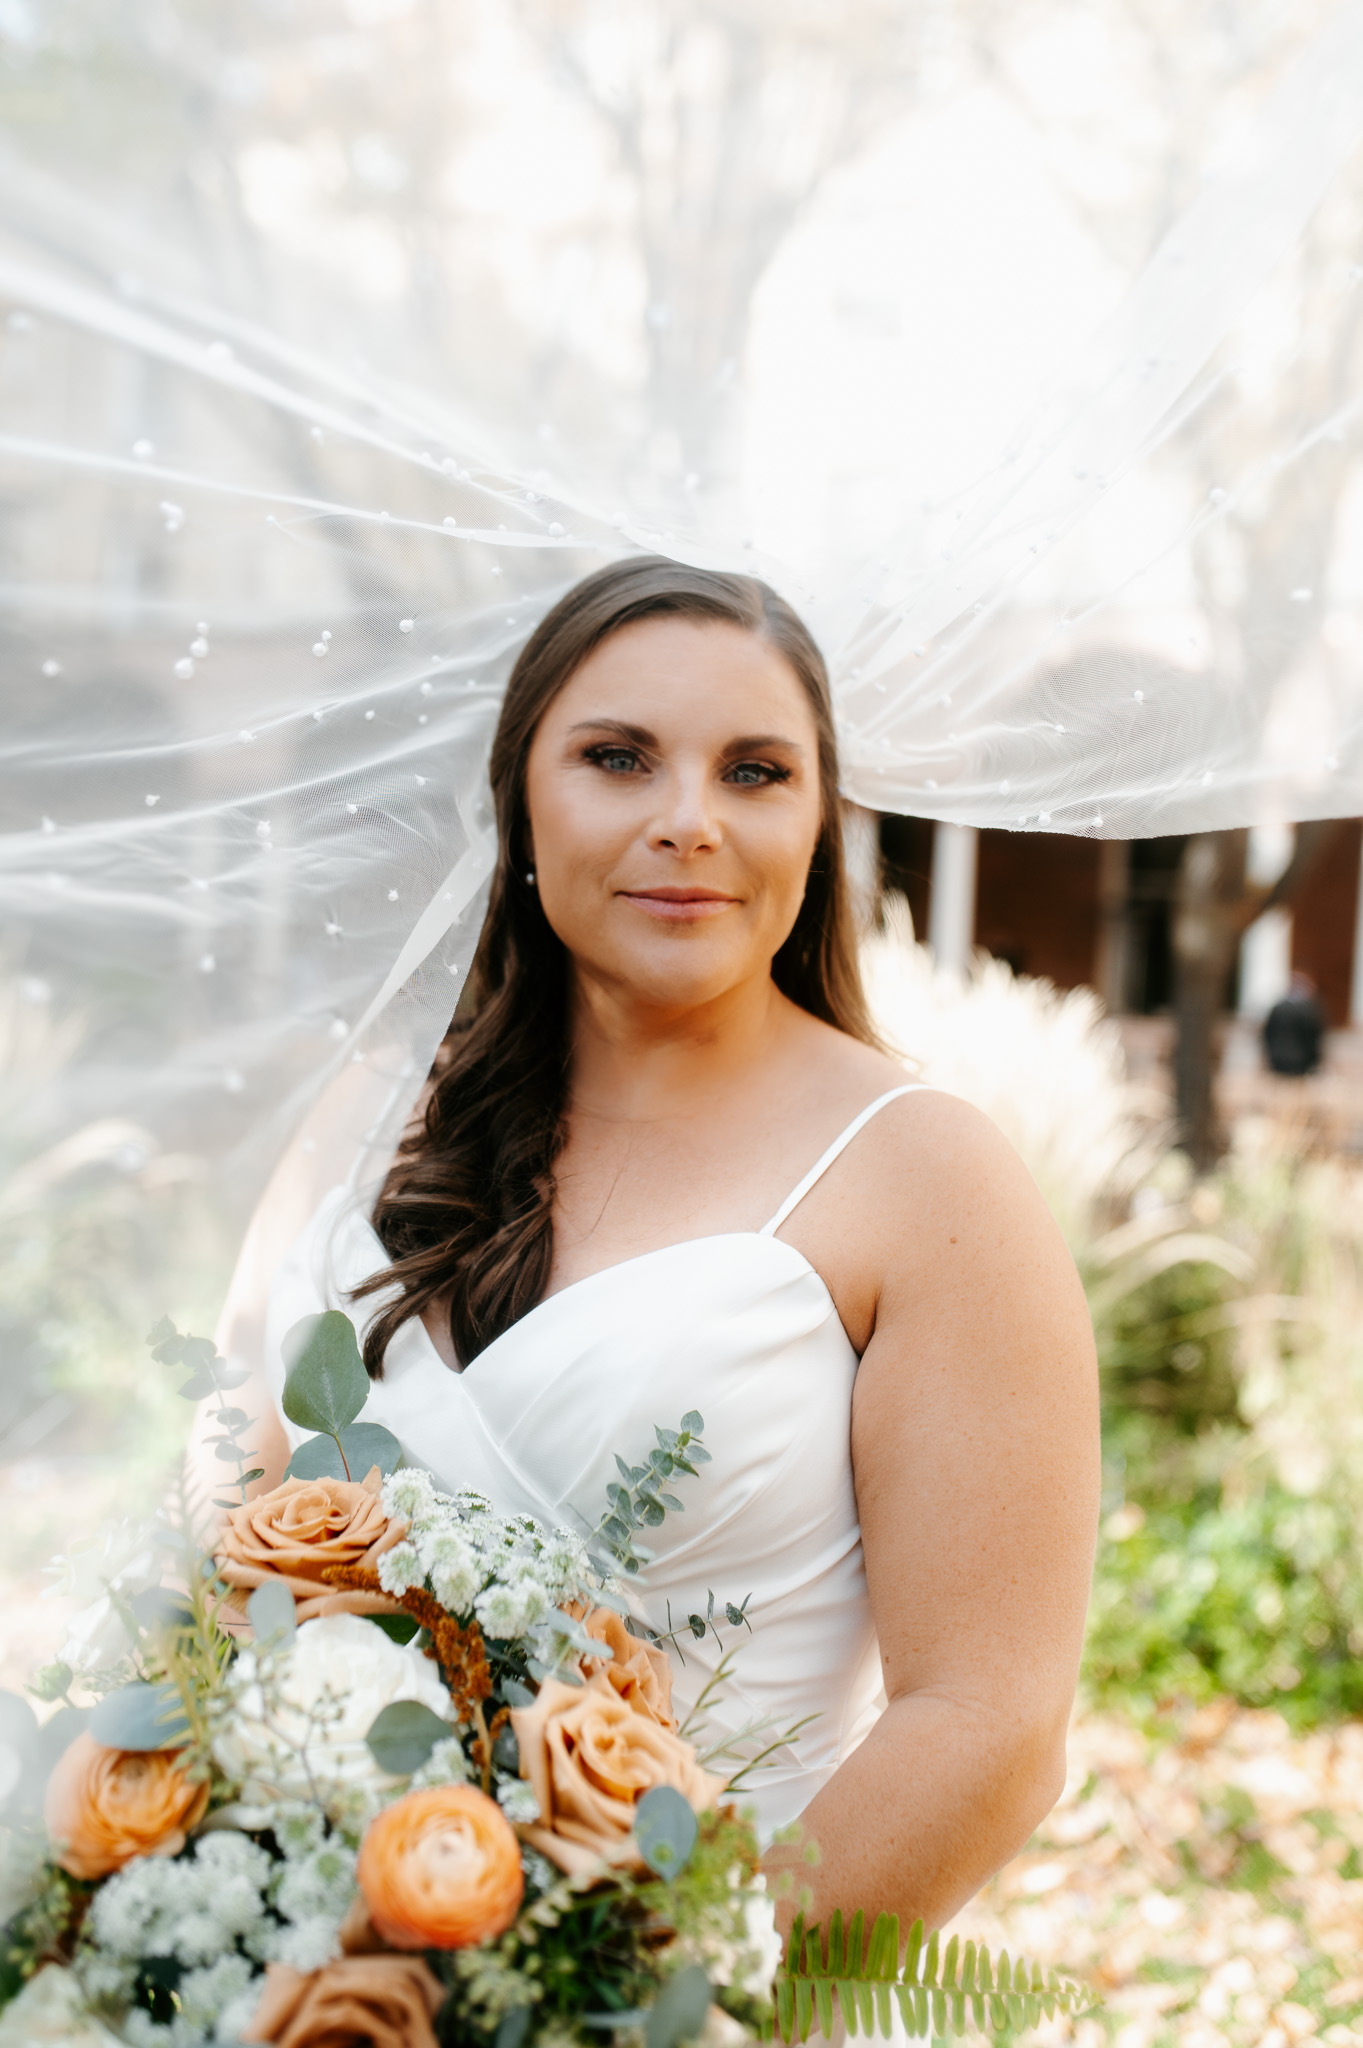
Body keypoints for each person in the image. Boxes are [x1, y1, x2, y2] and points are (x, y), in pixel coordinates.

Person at [208, 557, 1098, 1938]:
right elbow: (212, 1532)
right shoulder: (367, 1111)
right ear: (517, 800)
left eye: (753, 772)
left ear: (817, 822)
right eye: (617, 759)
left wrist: (659, 2007)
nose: (688, 822)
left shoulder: (928, 1180)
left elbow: (986, 1726)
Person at [1263, 971, 1326, 1077]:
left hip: (1278, 1060)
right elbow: (1313, 1037)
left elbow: (1267, 1033)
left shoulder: (1278, 1007)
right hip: (1301, 1061)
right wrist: (1314, 1059)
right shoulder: (1308, 1010)